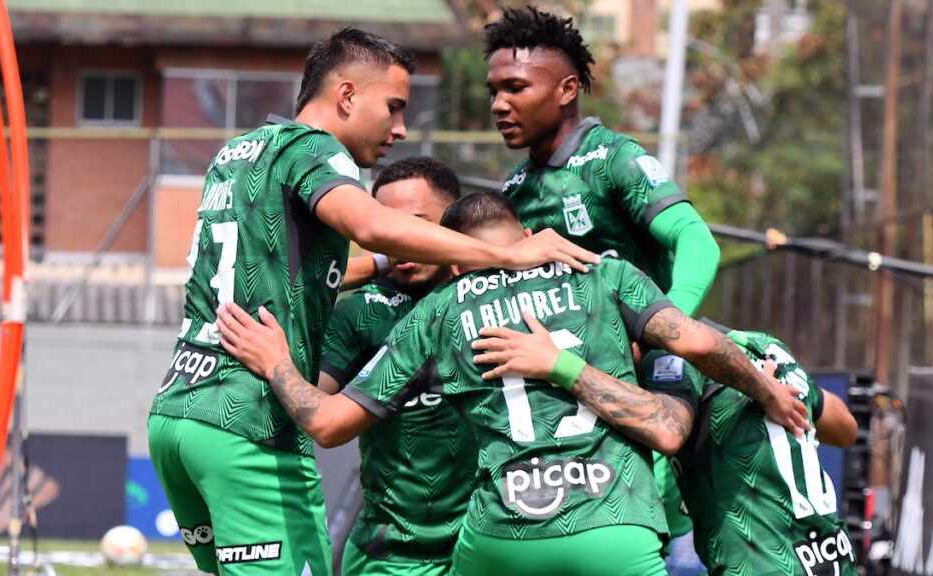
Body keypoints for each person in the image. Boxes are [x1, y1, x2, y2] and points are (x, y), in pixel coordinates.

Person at [147, 29, 599, 575]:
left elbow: (292, 269)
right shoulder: (314, 149)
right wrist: (504, 255)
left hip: (177, 413)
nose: (400, 128)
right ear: (345, 97)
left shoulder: (237, 154)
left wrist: (387, 264)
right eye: (393, 107)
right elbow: (367, 223)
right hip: (247, 419)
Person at [215, 192, 807, 576]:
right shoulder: (604, 276)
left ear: (456, 257)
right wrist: (767, 390)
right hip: (615, 527)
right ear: (528, 233)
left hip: (504, 538)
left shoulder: (437, 310)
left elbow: (328, 423)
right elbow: (700, 344)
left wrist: (276, 365)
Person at [484, 5, 723, 548]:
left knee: (650, 526)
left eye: (516, 87)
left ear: (567, 89)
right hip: (565, 388)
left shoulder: (612, 158)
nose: (499, 104)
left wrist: (661, 329)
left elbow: (698, 242)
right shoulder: (516, 187)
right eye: (494, 89)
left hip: (642, 388)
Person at [476, 316, 859, 575]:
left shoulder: (669, 360)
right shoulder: (765, 347)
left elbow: (666, 429)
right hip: (835, 555)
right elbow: (846, 428)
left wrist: (558, 364)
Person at [318, 157, 477, 575]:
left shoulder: (496, 299)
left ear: (453, 222)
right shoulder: (362, 313)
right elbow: (314, 406)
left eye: (414, 224)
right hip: (388, 559)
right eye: (386, 227)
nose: (399, 239)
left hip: (484, 549)